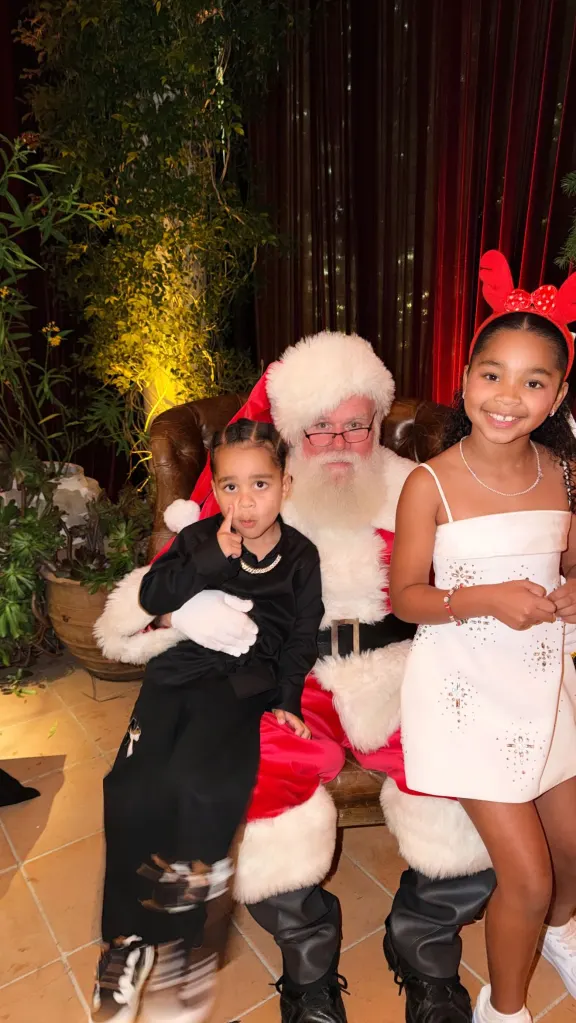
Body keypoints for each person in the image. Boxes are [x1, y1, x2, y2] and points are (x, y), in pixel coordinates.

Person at [97, 330, 500, 1023]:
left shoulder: (420, 486)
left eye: (355, 422)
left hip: (404, 668)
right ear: (291, 430)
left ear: (379, 420)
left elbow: (479, 580)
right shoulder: (253, 502)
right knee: (250, 788)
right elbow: (136, 612)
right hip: (286, 677)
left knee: (475, 783)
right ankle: (308, 965)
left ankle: (424, 946)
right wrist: (185, 610)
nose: (341, 440)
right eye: (320, 427)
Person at [392, 250, 576, 1023]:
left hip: (545, 680)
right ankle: (506, 1008)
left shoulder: (564, 475)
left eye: (534, 381)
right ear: (465, 377)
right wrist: (485, 599)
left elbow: (570, 563)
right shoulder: (428, 482)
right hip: (465, 688)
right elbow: (405, 599)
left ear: (559, 393)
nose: (509, 396)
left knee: (573, 851)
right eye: (492, 373)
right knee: (528, 875)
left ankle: (562, 933)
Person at [91, 418, 324, 1023]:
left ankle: (183, 944)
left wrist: (288, 700)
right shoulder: (200, 538)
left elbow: (302, 637)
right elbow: (156, 593)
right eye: (229, 487)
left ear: (285, 484)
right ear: (214, 490)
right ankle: (126, 942)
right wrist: (204, 563)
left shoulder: (302, 555)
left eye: (260, 485)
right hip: (179, 673)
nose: (245, 503)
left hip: (245, 684)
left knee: (204, 787)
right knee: (131, 786)